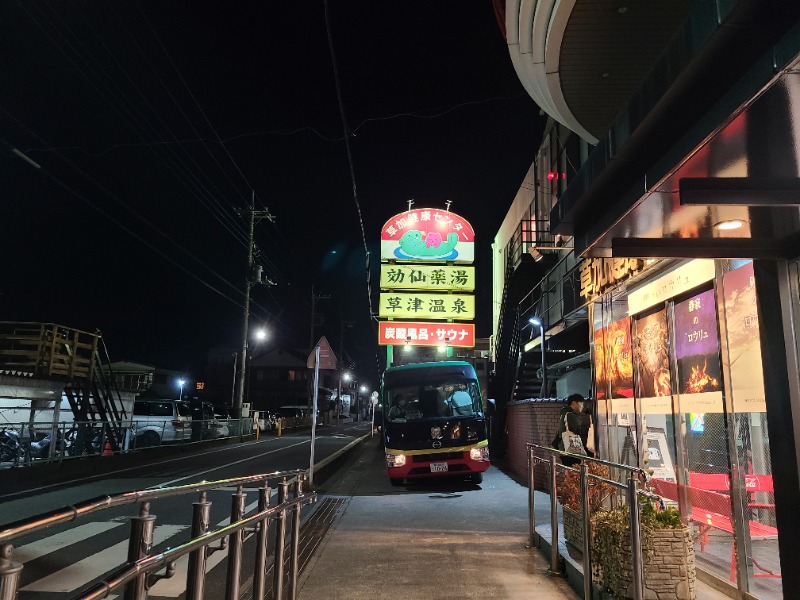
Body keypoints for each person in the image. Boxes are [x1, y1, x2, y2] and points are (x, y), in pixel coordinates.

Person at [555, 393, 589, 466]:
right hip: (570, 451)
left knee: (569, 474)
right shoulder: (570, 415)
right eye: (581, 403)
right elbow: (579, 430)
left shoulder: (565, 413)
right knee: (574, 473)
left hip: (565, 451)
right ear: (574, 403)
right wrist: (587, 421)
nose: (582, 406)